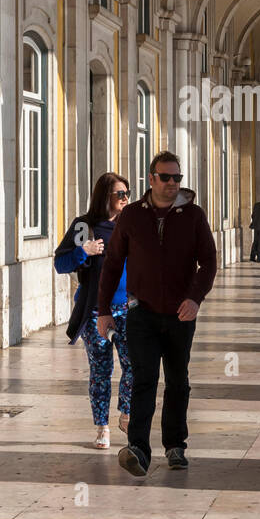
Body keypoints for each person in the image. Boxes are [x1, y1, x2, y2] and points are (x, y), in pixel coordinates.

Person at [97, 151, 217, 477]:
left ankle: (175, 445)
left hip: (180, 315)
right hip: (142, 314)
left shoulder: (193, 216)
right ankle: (138, 448)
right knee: (143, 379)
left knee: (178, 382)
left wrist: (195, 299)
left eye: (177, 178)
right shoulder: (132, 216)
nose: (171, 184)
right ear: (151, 179)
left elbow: (208, 262)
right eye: (165, 177)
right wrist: (104, 310)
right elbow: (111, 264)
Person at [54, 172, 133, 450]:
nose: (126, 198)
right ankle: (102, 427)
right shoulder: (84, 226)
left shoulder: (131, 224)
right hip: (94, 310)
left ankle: (126, 412)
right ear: (104, 196)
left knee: (134, 365)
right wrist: (83, 251)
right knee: (101, 370)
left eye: (128, 193)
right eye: (120, 194)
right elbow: (61, 264)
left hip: (129, 309)